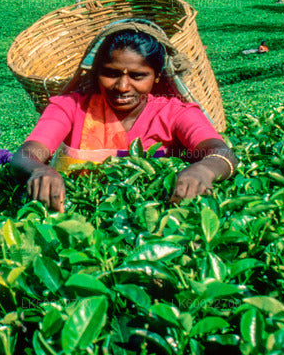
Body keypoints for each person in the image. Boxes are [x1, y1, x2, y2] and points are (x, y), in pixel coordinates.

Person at [13, 20, 238, 211]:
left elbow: (221, 152)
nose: (122, 87)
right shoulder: (70, 107)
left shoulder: (174, 112)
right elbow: (26, 154)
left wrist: (203, 169)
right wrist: (40, 169)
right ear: (96, 73)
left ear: (156, 77)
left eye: (138, 76)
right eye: (110, 74)